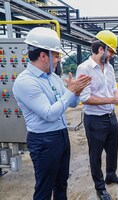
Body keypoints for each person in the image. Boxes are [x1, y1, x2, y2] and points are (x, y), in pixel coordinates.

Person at [12, 27, 91, 200]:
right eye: (55, 55)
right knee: (44, 188)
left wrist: (76, 92)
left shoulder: (53, 77)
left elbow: (72, 103)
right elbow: (49, 114)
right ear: (43, 55)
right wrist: (71, 91)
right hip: (43, 141)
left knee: (61, 183)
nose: (58, 60)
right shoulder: (26, 82)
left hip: (61, 136)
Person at [76, 30, 118, 200]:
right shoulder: (84, 68)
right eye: (110, 52)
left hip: (110, 116)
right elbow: (85, 98)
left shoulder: (108, 67)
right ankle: (100, 187)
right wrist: (112, 100)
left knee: (113, 149)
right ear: (101, 49)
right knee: (95, 154)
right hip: (94, 120)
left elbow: (114, 89)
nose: (112, 56)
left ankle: (111, 175)